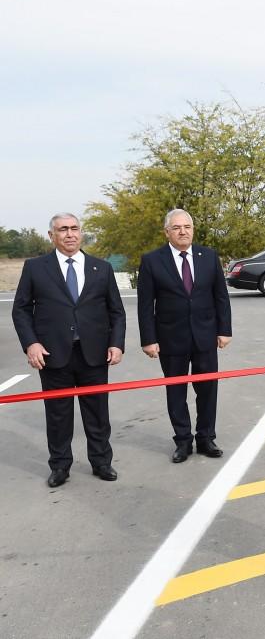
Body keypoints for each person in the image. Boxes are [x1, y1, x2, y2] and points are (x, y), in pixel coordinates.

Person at [12, 213, 126, 487]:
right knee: (58, 414)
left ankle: (101, 462)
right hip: (53, 354)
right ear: (52, 236)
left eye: (74, 228)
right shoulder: (36, 268)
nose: (70, 234)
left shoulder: (101, 268)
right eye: (63, 229)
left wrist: (116, 343)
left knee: (98, 413)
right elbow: (21, 309)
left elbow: (117, 312)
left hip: (94, 353)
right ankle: (60, 466)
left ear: (81, 233)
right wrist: (31, 343)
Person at [137, 209, 232, 463]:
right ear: (167, 232)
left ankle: (206, 438)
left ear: (193, 229)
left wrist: (224, 330)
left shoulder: (209, 257)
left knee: (208, 389)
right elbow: (145, 304)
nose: (183, 231)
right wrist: (148, 338)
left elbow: (220, 296)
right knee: (176, 392)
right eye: (177, 227)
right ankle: (182, 441)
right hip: (170, 338)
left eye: (187, 227)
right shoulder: (152, 261)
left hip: (205, 336)